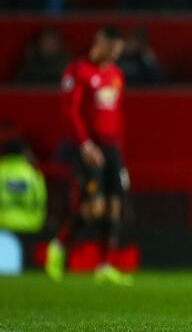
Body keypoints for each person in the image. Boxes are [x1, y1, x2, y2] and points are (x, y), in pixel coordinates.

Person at [45, 26, 133, 286]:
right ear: (100, 43)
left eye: (119, 51)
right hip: (87, 148)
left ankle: (104, 265)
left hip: (111, 148)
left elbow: (117, 117)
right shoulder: (78, 71)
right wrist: (85, 145)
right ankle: (58, 246)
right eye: (113, 49)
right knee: (92, 208)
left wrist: (121, 156)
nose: (116, 55)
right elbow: (70, 112)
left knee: (113, 207)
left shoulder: (116, 75)